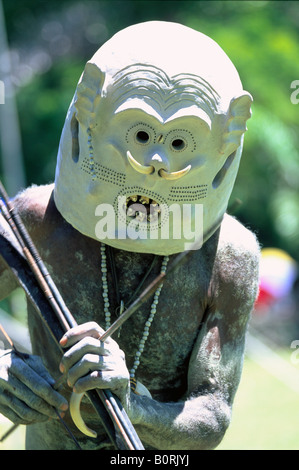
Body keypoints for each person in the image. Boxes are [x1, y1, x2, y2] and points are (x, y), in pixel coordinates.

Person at [0, 21, 260, 450]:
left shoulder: (228, 257)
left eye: (180, 141)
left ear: (224, 143)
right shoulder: (36, 221)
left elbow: (212, 413)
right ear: (91, 113)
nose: (157, 160)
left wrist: (133, 407)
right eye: (140, 133)